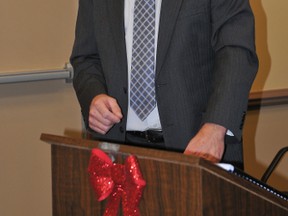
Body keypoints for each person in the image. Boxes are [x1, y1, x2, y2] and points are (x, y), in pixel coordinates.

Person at [70, 0, 258, 169]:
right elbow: (86, 58)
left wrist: (216, 128)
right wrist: (94, 96)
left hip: (198, 144)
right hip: (115, 150)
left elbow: (237, 53)